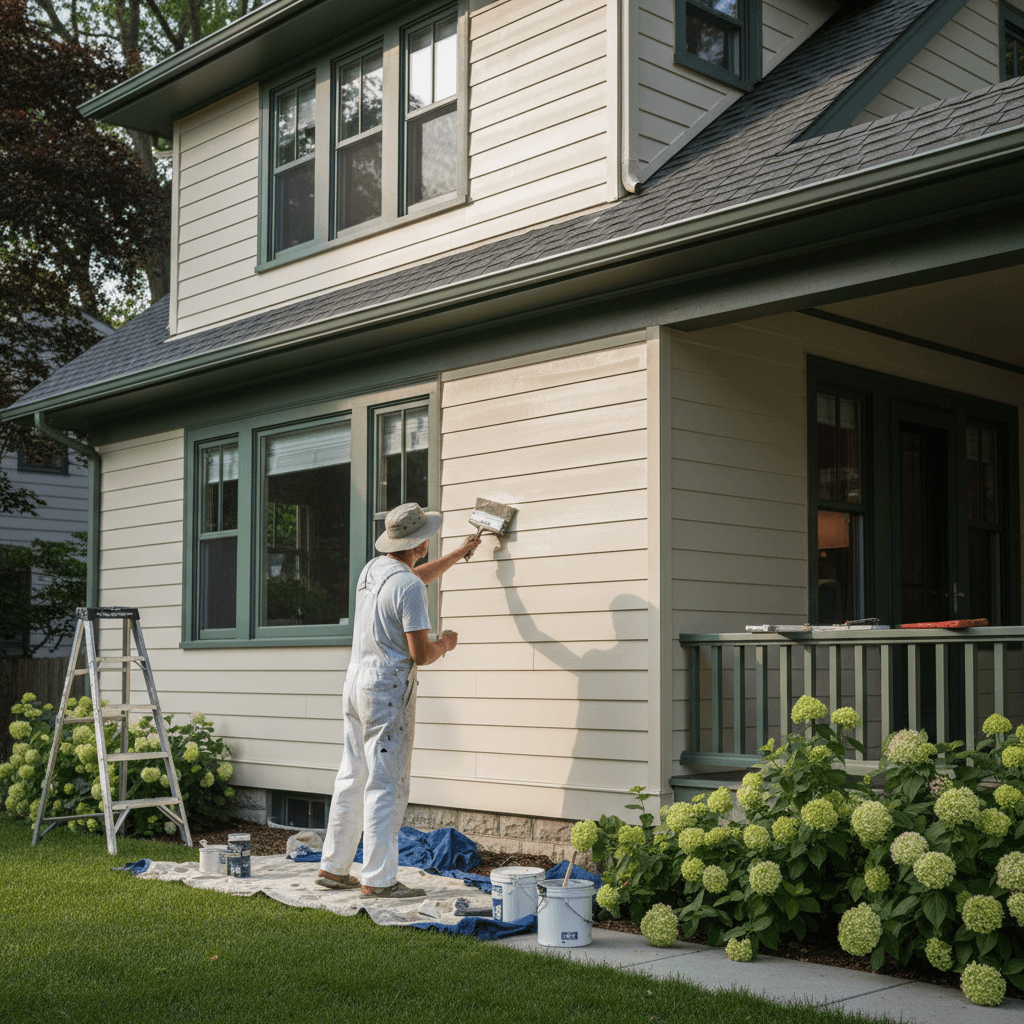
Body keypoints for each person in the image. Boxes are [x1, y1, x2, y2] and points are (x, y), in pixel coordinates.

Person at [316, 502, 481, 898]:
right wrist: (447, 643)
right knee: (386, 784)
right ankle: (379, 879)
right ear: (419, 543)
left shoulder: (374, 571)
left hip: (356, 683)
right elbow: (420, 654)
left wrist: (457, 555)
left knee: (352, 775)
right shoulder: (407, 588)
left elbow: (411, 580)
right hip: (387, 692)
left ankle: (333, 870)